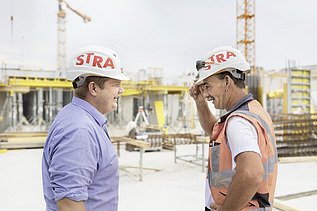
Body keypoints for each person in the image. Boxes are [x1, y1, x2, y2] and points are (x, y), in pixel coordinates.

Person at [189, 46, 278, 211]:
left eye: (207, 86)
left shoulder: (238, 122)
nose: (206, 93)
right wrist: (200, 102)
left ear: (227, 82)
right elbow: (218, 133)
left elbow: (251, 173)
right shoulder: (252, 110)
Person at [42, 45, 129, 211]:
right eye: (116, 84)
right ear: (93, 88)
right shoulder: (79, 131)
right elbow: (69, 205)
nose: (121, 90)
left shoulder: (82, 119)